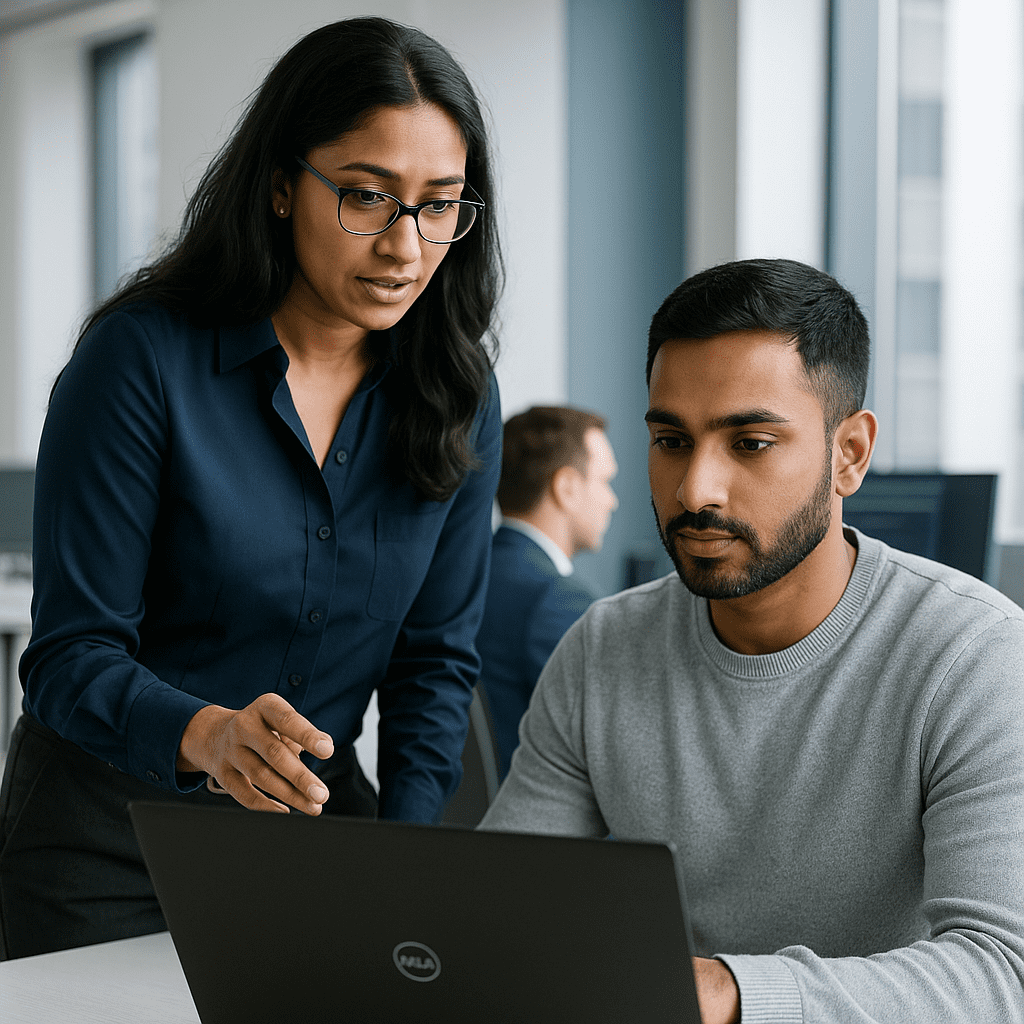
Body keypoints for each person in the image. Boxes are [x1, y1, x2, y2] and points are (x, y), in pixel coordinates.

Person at [0, 17, 504, 960]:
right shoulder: (141, 362)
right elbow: (69, 658)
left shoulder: (458, 395)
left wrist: (406, 857)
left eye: (440, 205)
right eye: (367, 197)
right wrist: (206, 732)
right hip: (103, 851)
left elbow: (433, 664)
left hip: (312, 851)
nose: (407, 245)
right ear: (280, 186)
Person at [481, 259, 1024, 1024]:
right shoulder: (604, 646)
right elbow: (502, 910)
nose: (696, 488)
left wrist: (734, 992)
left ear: (850, 455)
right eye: (671, 440)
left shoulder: (977, 658)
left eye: (751, 443)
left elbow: (1003, 977)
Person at [475, 406, 617, 778]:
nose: (612, 501)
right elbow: (607, 749)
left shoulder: (468, 579)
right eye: (605, 482)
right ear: (567, 487)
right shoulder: (558, 599)